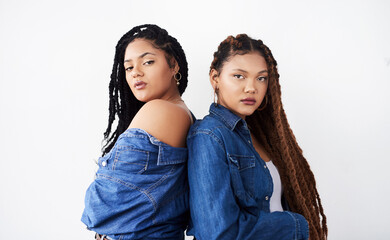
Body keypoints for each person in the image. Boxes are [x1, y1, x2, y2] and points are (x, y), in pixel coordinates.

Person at [187, 34, 327, 240]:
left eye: (261, 78)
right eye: (239, 76)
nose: (252, 87)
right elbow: (218, 233)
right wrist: (297, 224)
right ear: (215, 78)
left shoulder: (261, 135)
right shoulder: (209, 136)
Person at [81, 24, 194, 240]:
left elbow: (101, 206)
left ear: (173, 65)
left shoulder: (160, 110)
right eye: (129, 68)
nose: (136, 73)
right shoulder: (183, 114)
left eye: (148, 62)